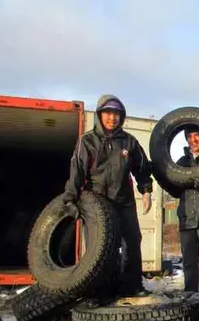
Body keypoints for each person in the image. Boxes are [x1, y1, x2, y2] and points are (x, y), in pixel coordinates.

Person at [62, 94, 154, 297]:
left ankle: (132, 286)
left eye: (116, 114)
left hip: (124, 202)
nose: (112, 118)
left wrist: (146, 190)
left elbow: (141, 168)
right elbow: (76, 172)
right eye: (108, 113)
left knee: (131, 242)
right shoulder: (87, 141)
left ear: (122, 117)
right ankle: (100, 291)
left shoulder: (128, 142)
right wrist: (70, 200)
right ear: (100, 115)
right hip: (97, 204)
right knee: (101, 248)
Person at [159, 125, 199, 319]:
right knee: (189, 264)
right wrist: (162, 178)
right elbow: (176, 190)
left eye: (197, 136)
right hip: (187, 219)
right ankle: (191, 301)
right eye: (190, 137)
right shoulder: (182, 162)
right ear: (186, 140)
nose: (194, 140)